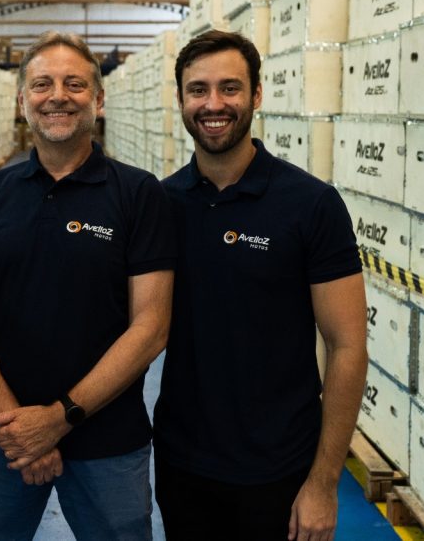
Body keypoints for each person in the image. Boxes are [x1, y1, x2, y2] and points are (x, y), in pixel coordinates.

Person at [0, 32, 175, 540]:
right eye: (42, 83)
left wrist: (59, 418)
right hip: (0, 444)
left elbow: (151, 326)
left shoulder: (138, 194)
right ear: (22, 99)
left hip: (109, 444)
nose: (57, 96)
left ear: (98, 99)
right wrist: (19, 430)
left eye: (75, 84)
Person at [154, 30, 368, 541]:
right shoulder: (160, 205)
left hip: (282, 469)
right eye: (197, 89)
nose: (213, 104)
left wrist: (323, 481)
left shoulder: (311, 204)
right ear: (182, 99)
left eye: (229, 88)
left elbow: (348, 346)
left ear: (256, 95)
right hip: (183, 464)